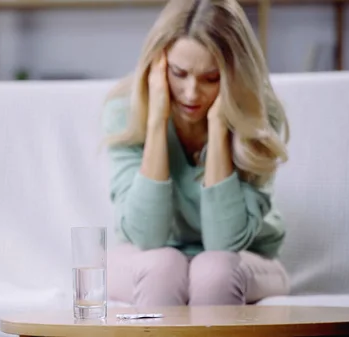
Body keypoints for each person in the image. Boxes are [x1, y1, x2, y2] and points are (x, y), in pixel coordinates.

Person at [102, 0, 291, 306]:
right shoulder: (125, 110)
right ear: (158, 65)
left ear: (233, 75)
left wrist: (218, 125)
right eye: (179, 73)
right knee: (162, 267)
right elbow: (147, 237)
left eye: (211, 78)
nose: (191, 94)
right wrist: (156, 123)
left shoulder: (258, 114)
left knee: (214, 271)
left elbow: (223, 243)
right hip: (148, 254)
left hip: (247, 256)